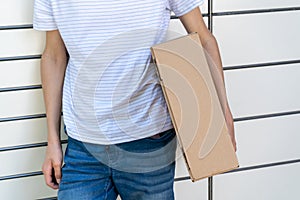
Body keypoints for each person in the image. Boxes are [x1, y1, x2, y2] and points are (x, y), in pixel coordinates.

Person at [34, 0, 237, 199]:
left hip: (149, 143)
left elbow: (203, 39)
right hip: (84, 145)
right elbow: (53, 55)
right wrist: (52, 140)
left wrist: (223, 113)